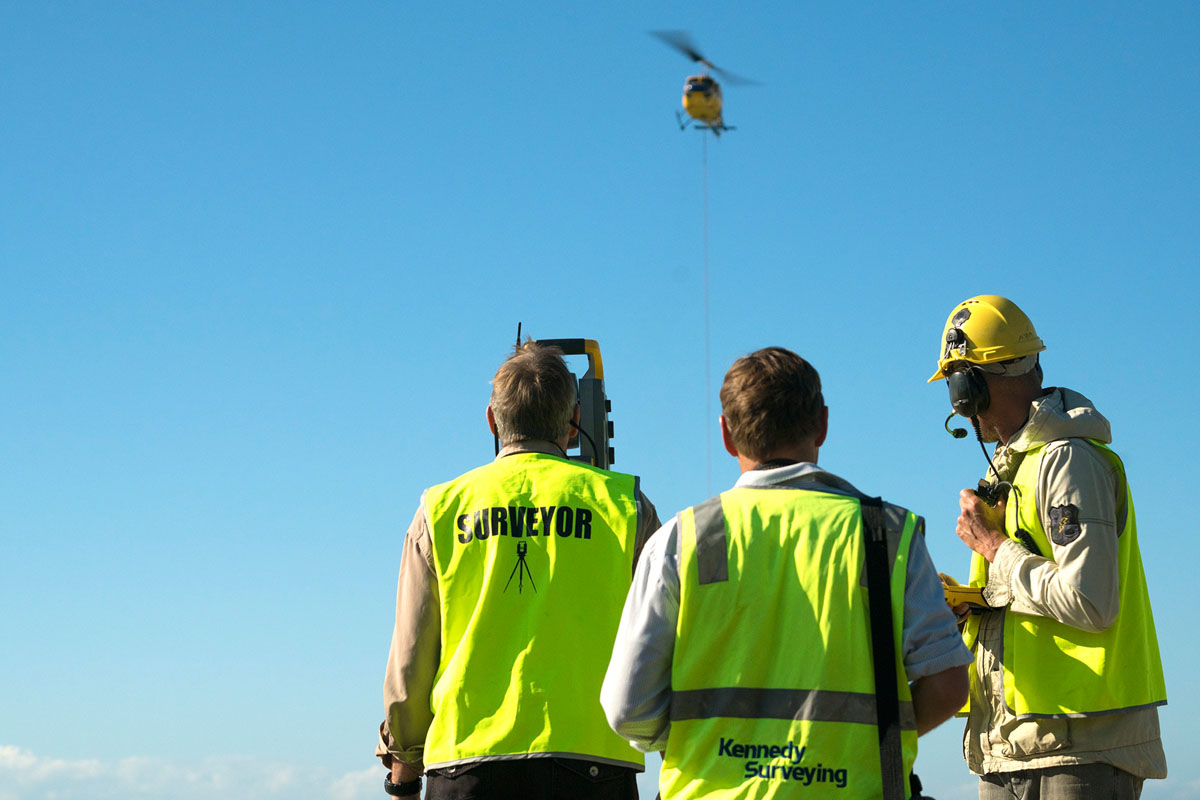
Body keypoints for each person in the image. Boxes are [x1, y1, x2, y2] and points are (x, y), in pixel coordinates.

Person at [602, 346, 970, 799]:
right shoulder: (886, 535)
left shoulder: (682, 540)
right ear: (822, 424)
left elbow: (626, 709)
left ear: (726, 435)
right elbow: (949, 685)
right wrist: (870, 743)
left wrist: (704, 747)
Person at [376, 342, 661, 800]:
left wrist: (403, 775)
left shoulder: (440, 510)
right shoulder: (625, 505)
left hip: (465, 768)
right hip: (593, 767)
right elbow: (665, 641)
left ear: (492, 420)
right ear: (575, 423)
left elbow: (411, 656)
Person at [929, 294, 1167, 799]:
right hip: (1009, 747)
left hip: (1080, 749)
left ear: (971, 382)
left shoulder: (1069, 461)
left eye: (957, 390)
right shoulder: (1012, 468)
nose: (959, 409)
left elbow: (1090, 600)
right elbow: (1027, 594)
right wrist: (968, 606)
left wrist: (995, 547)